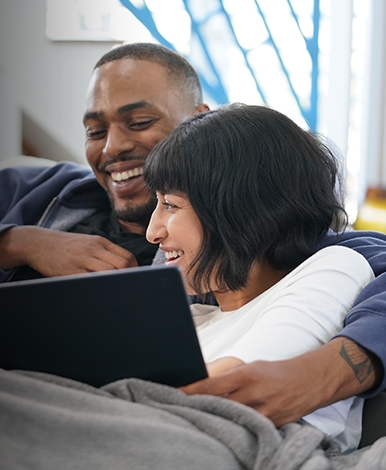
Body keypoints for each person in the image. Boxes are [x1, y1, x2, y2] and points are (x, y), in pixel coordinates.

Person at [0, 42, 386, 429]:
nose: (112, 149)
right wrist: (21, 243)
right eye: (94, 129)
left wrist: (333, 370)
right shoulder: (36, 193)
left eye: (139, 122)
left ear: (200, 127)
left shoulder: (241, 244)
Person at [143, 103, 372, 450]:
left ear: (241, 210)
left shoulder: (335, 268)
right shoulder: (189, 319)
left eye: (170, 205)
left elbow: (231, 388)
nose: (152, 232)